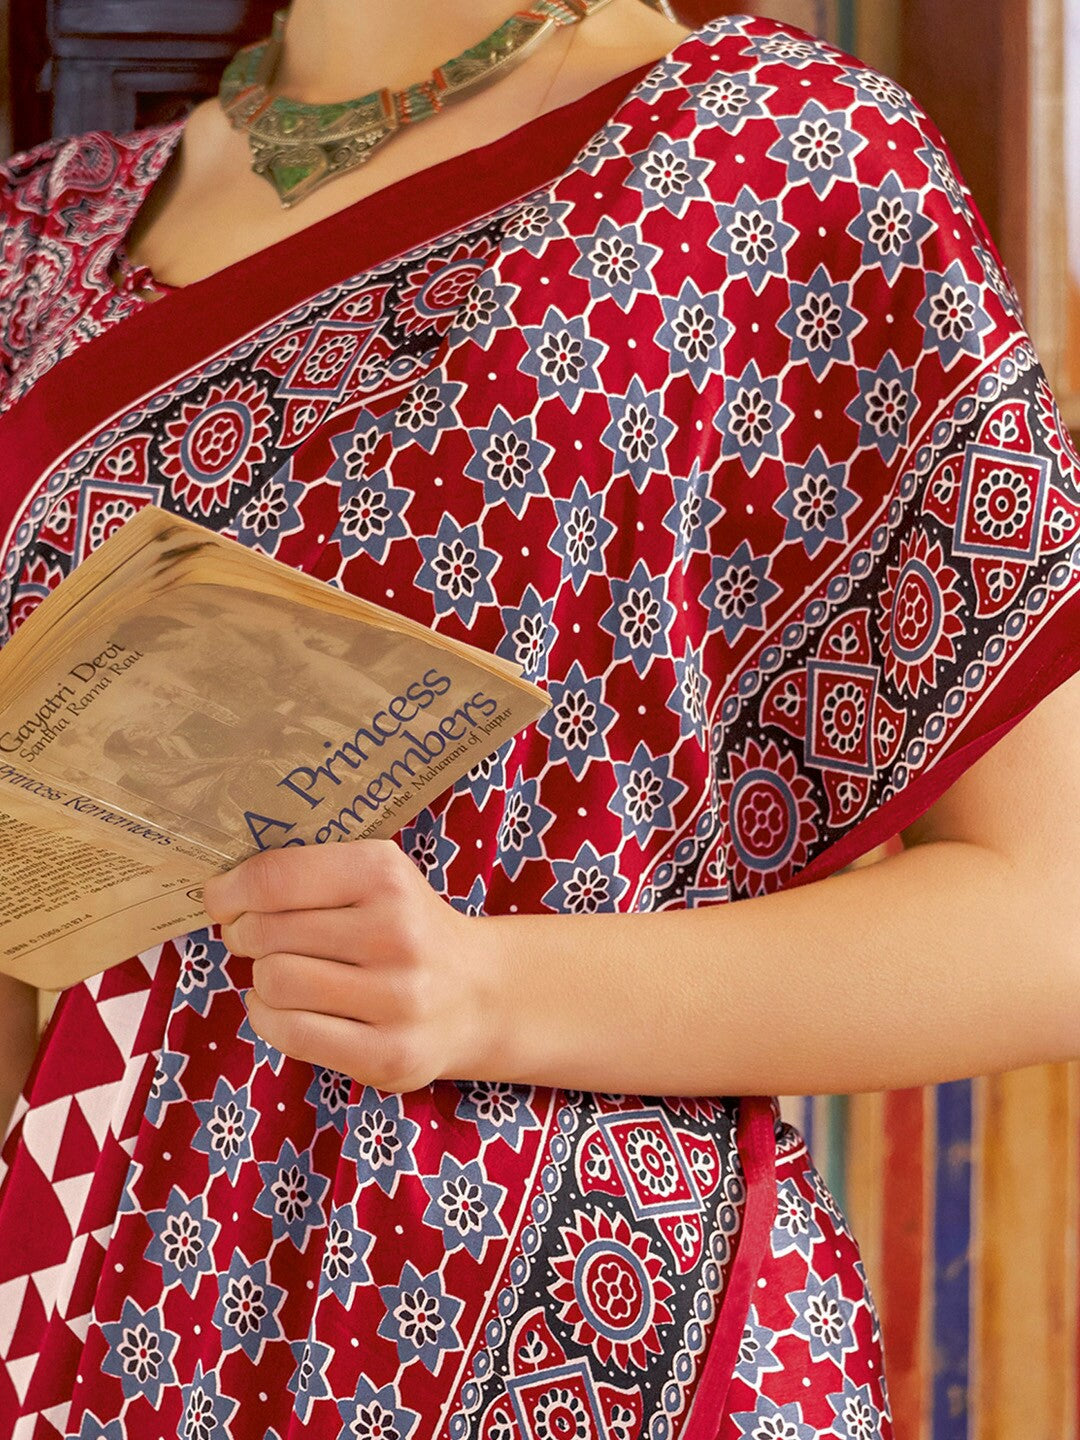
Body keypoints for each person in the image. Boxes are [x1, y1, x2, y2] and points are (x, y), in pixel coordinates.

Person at [1, 1, 1078, 1435]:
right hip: (97, 1306)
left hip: (573, 1331)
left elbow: (1047, 916)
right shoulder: (43, 237)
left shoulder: (775, 162)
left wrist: (484, 988)